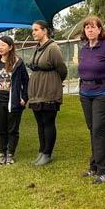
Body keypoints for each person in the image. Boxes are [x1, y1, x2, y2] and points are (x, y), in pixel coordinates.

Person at [78, 16, 105, 183]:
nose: (90, 30)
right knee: (92, 129)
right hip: (86, 93)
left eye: (93, 27)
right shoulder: (84, 49)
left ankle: (104, 171)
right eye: (87, 27)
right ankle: (94, 166)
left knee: (99, 130)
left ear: (100, 29)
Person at [28, 20, 68, 166]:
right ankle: (42, 151)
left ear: (45, 31)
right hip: (36, 92)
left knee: (48, 122)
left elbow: (62, 69)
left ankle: (47, 153)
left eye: (36, 30)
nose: (33, 32)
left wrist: (55, 82)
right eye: (33, 30)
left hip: (48, 91)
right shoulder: (37, 48)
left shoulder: (53, 48)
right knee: (40, 123)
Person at [0, 36, 29, 165]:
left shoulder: (18, 63)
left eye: (3, 45)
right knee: (1, 130)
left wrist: (24, 98)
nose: (0, 48)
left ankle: (10, 153)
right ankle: (2, 153)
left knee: (12, 130)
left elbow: (26, 82)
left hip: (14, 103)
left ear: (10, 47)